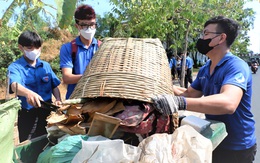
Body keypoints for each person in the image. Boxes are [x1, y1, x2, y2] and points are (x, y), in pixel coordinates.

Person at [152, 16, 257, 163]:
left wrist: (179, 103)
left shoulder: (236, 66)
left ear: (221, 38)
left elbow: (228, 103)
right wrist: (161, 85)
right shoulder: (204, 69)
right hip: (214, 138)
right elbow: (190, 94)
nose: (202, 38)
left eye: (206, 34)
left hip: (237, 145)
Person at [7, 30, 62, 142]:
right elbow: (14, 85)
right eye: (30, 48)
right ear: (21, 47)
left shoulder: (45, 66)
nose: (35, 51)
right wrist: (29, 93)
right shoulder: (15, 67)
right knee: (28, 146)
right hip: (28, 115)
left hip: (47, 112)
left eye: (37, 47)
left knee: (50, 141)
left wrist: (58, 98)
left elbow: (54, 85)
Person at [60, 4, 101, 99]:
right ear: (77, 26)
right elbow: (67, 77)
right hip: (75, 100)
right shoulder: (68, 48)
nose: (89, 29)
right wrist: (90, 77)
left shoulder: (102, 47)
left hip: (97, 100)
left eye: (92, 25)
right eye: (84, 25)